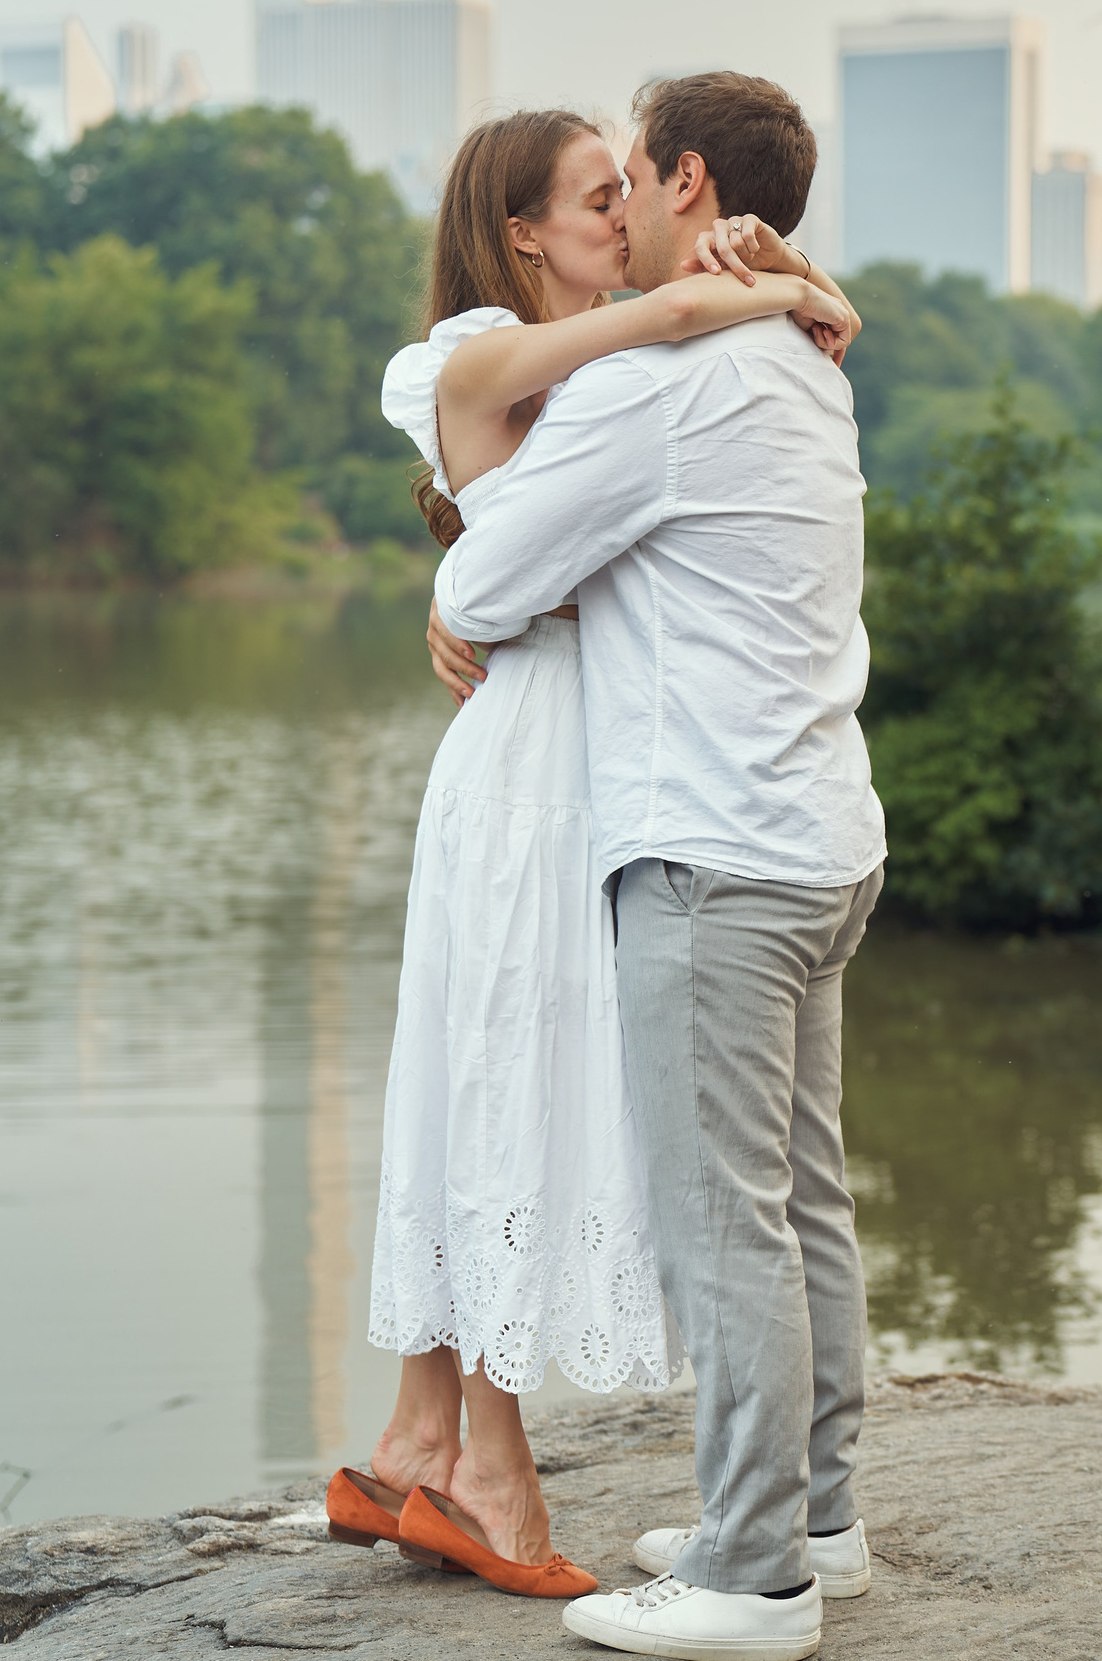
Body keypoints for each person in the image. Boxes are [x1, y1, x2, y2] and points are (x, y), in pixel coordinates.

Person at [327, 107, 860, 1603]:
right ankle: (488, 1472)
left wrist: (798, 293)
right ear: (520, 232)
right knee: (500, 1080)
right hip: (534, 764)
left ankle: (420, 1439)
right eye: (594, 192)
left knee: (493, 1077)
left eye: (632, 183)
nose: (620, 209)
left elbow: (680, 351)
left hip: (600, 762)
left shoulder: (623, 364)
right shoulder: (481, 351)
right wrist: (782, 289)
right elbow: (688, 314)